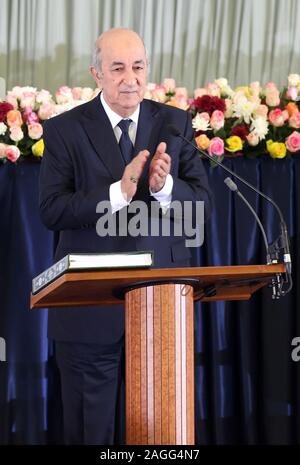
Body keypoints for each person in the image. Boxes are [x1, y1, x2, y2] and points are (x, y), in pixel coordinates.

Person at [39, 28, 212, 444]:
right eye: (117, 68)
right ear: (96, 74)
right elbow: (51, 210)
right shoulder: (65, 130)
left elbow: (202, 205)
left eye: (138, 66)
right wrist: (118, 193)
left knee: (163, 436)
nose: (130, 78)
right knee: (88, 433)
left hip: (161, 309)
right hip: (89, 311)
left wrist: (164, 189)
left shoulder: (174, 122)